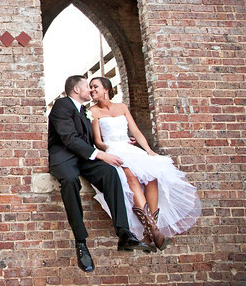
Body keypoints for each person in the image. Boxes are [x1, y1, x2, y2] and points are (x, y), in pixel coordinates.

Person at [48, 75, 151, 273]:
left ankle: (124, 233)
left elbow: (93, 140)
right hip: (65, 156)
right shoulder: (62, 105)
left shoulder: (85, 111)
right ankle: (81, 243)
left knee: (110, 173)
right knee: (70, 180)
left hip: (85, 157)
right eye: (88, 86)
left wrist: (118, 144)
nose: (91, 90)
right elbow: (68, 138)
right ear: (77, 90)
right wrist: (101, 154)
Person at [88, 76, 201, 252]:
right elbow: (98, 141)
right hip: (113, 149)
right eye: (90, 87)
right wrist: (110, 149)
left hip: (129, 147)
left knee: (152, 176)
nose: (92, 90)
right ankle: (154, 231)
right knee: (131, 178)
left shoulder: (122, 107)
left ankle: (151, 230)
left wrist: (148, 150)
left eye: (95, 87)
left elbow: (136, 131)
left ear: (106, 89)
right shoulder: (93, 111)